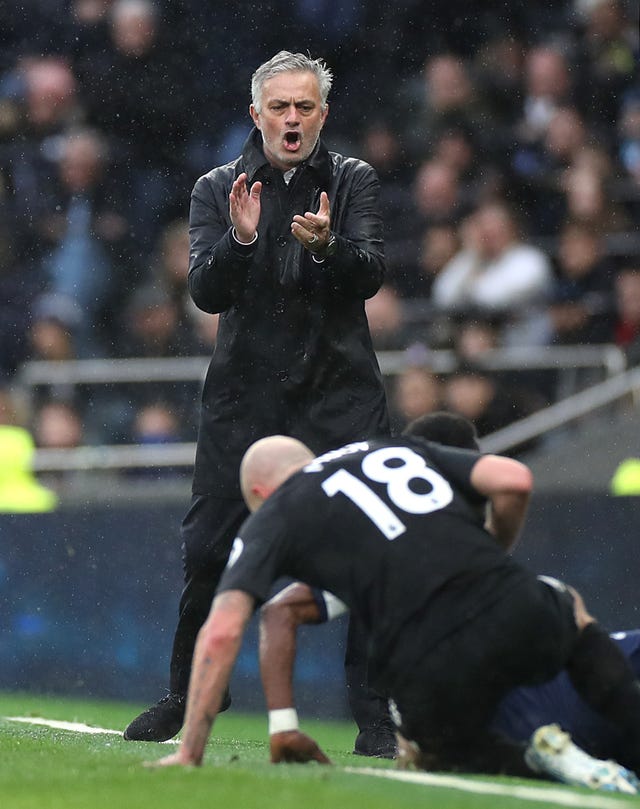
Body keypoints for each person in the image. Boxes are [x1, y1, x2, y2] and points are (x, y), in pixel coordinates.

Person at [124, 50, 391, 751]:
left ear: (323, 115)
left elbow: (371, 276)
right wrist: (242, 240)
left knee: (366, 549)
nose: (293, 119)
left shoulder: (353, 179)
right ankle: (187, 696)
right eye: (280, 107)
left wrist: (331, 246)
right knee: (208, 549)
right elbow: (206, 292)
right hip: (244, 400)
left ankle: (373, 715)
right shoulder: (218, 187)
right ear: (257, 114)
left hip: (339, 395)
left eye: (305, 107)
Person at [148, 416, 640, 792]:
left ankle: (536, 758)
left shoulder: (276, 515)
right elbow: (514, 479)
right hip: (511, 604)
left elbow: (223, 629)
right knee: (571, 610)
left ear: (258, 492)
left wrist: (191, 750)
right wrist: (493, 551)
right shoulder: (394, 450)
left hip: (426, 660)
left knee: (432, 758)